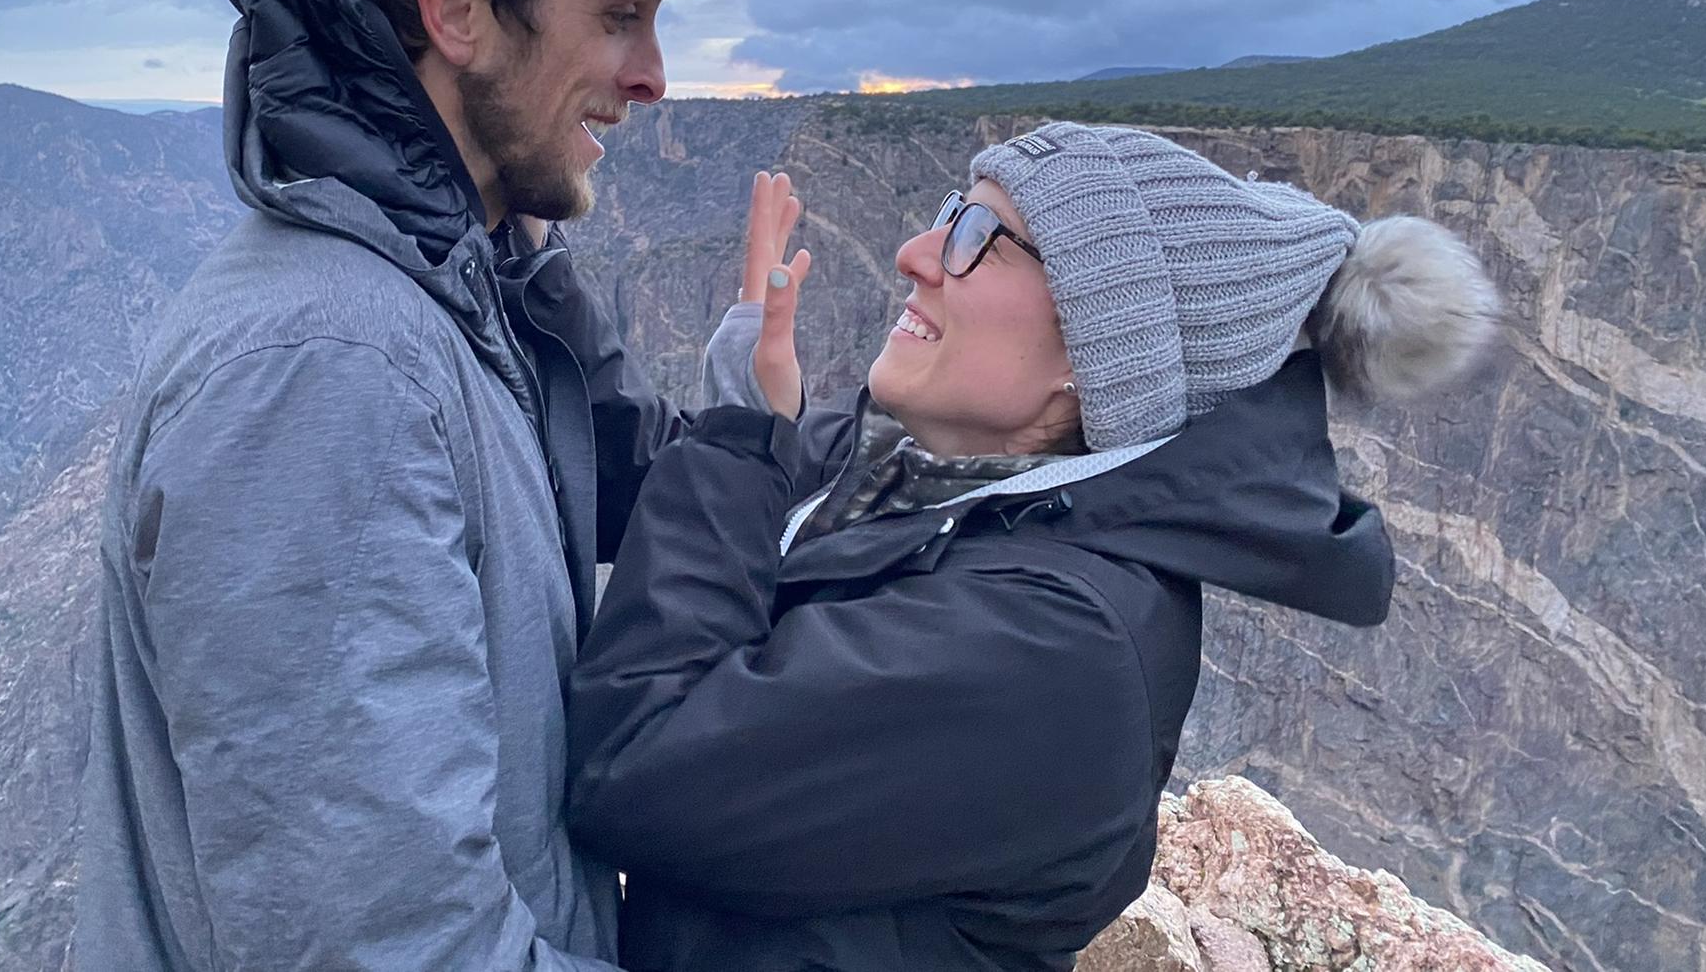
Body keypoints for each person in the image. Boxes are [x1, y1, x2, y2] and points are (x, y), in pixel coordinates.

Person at [77, 0, 786, 971]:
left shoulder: (460, 294)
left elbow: (629, 476)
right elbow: (390, 949)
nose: (655, 74)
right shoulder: (326, 370)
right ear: (457, 9)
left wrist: (752, 408)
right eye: (620, 11)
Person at [568, 123, 1502, 971]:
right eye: (948, 216)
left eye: (979, 238)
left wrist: (741, 429)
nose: (914, 255)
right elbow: (675, 484)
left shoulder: (1063, 647)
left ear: (1094, 352)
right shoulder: (939, 485)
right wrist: (519, 244)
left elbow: (639, 761)